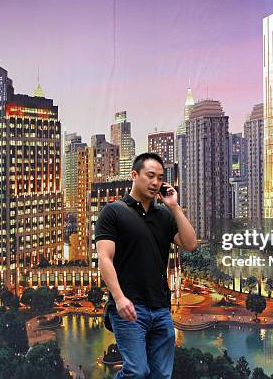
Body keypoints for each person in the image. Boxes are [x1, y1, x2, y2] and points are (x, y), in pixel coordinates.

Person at [96, 152, 197, 378]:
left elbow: (190, 244)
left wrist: (173, 206)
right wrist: (119, 298)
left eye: (160, 178)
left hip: (160, 308)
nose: (155, 183)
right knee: (137, 371)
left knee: (161, 375)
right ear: (134, 175)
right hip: (129, 307)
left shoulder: (164, 215)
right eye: (150, 176)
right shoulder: (113, 212)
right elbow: (104, 258)